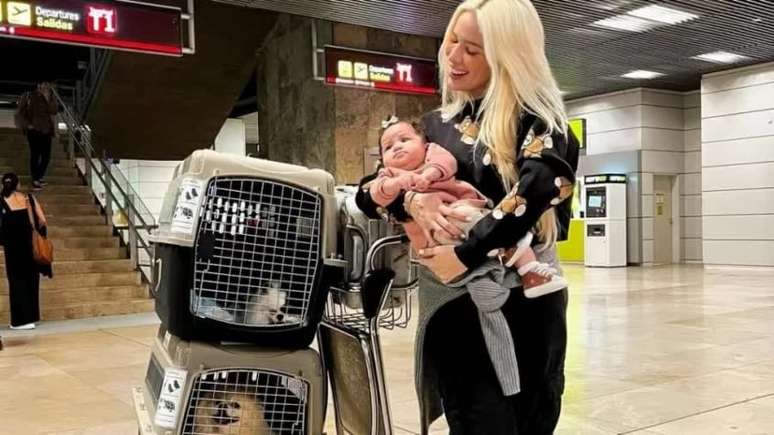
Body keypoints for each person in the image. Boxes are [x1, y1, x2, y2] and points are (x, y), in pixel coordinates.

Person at [356, 0, 579, 433]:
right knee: (475, 420)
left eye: (473, 49)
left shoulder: (542, 122)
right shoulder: (434, 124)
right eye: (451, 41)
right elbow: (369, 192)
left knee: (531, 418)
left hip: (527, 303)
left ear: (508, 54)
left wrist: (468, 252)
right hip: (454, 307)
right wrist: (412, 202)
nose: (453, 57)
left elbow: (535, 190)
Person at [0, 173, 52, 330]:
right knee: (31, 280)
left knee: (16, 282)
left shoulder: (1, 201)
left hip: (12, 249)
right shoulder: (29, 198)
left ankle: (19, 321)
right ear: (18, 184)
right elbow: (42, 220)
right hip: (30, 247)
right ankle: (32, 317)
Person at [17, 81, 58, 190]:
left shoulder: (50, 96)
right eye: (45, 85)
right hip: (34, 130)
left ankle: (37, 177)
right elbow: (20, 113)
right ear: (39, 85)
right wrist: (27, 125)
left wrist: (47, 98)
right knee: (35, 154)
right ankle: (35, 179)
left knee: (46, 157)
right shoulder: (29, 96)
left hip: (46, 131)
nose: (47, 87)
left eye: (48, 85)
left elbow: (54, 111)